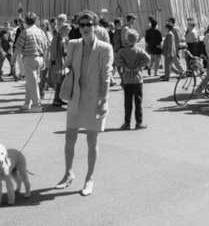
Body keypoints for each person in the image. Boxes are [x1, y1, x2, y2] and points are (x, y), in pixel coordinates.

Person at [54, 11, 113, 197]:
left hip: (94, 98)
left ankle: (89, 178)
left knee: (91, 141)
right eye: (82, 25)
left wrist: (103, 100)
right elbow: (69, 65)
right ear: (78, 27)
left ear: (95, 26)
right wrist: (63, 70)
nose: (86, 28)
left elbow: (106, 75)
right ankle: (68, 173)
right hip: (75, 97)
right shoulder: (73, 45)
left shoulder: (105, 48)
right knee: (69, 138)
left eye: (89, 24)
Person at [14, 12, 50, 111]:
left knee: (32, 83)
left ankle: (36, 105)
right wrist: (45, 61)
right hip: (40, 59)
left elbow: (18, 48)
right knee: (31, 82)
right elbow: (46, 47)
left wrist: (13, 60)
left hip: (29, 58)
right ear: (35, 21)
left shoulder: (25, 32)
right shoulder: (41, 32)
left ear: (26, 21)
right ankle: (27, 103)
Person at [115, 30, 149, 130]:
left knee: (127, 103)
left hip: (127, 79)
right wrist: (139, 66)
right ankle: (139, 123)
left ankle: (127, 123)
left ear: (126, 39)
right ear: (136, 39)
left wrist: (124, 67)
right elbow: (148, 59)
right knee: (138, 103)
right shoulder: (139, 51)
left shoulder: (122, 51)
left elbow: (117, 60)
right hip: (137, 79)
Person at [48, 21, 69, 106]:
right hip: (57, 62)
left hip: (62, 61)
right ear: (62, 30)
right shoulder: (57, 37)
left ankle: (59, 98)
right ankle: (56, 99)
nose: (68, 32)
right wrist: (53, 61)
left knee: (61, 81)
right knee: (59, 81)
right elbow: (53, 49)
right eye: (67, 30)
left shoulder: (64, 38)